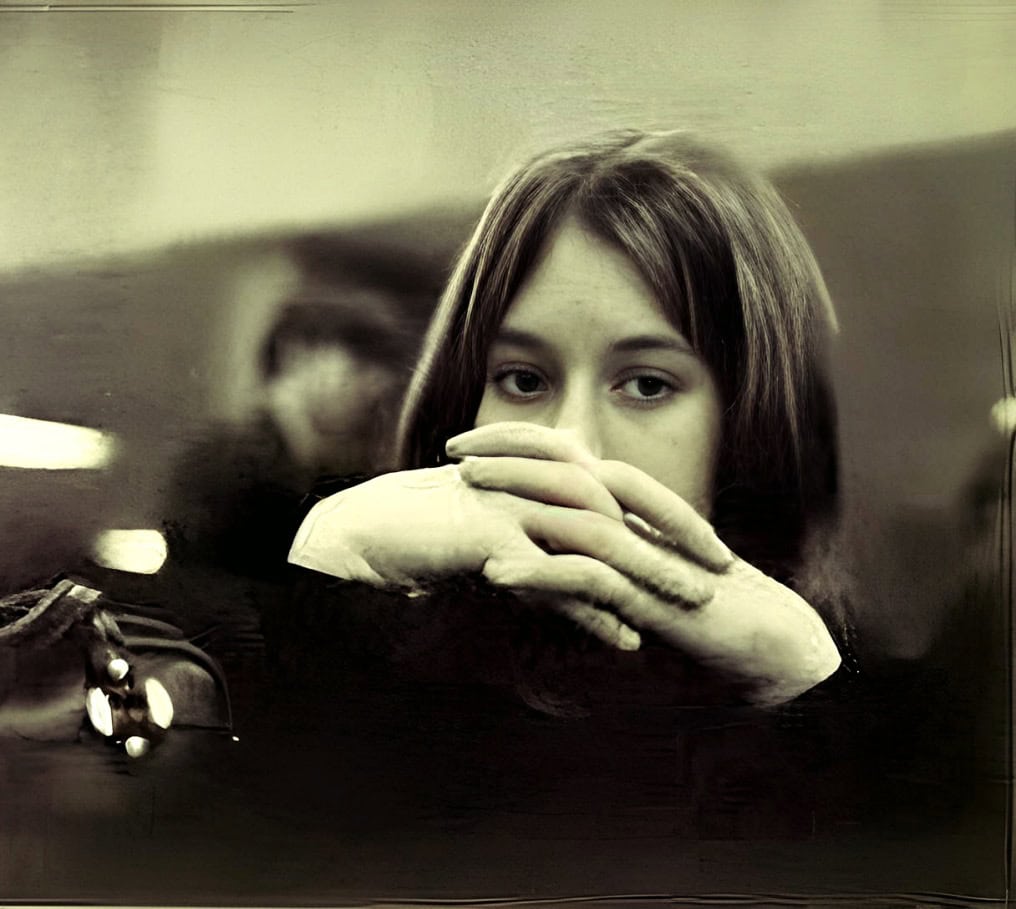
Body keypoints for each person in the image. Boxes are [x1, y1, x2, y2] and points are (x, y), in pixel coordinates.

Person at [285, 128, 849, 711]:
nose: (567, 442)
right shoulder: (388, 678)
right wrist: (332, 562)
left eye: (647, 385)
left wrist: (800, 684)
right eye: (524, 380)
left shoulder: (867, 709)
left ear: (749, 427)